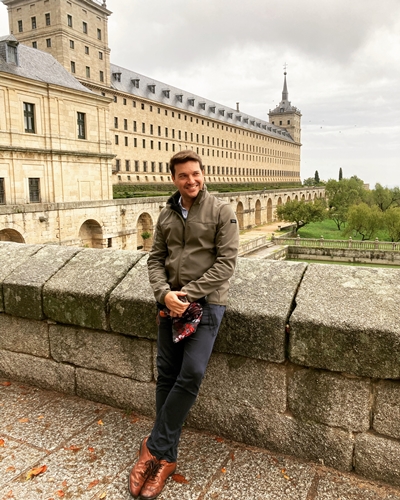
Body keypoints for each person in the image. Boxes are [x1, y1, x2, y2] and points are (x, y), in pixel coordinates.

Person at [128, 150, 239, 499]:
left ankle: (152, 447)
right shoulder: (166, 214)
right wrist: (164, 294)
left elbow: (226, 264)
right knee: (167, 374)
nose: (191, 180)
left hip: (206, 304)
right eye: (183, 175)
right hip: (170, 305)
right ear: (173, 179)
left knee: (190, 373)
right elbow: (155, 259)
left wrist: (187, 295)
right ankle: (166, 458)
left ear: (203, 174)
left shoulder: (221, 211)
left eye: (196, 174)